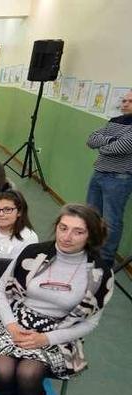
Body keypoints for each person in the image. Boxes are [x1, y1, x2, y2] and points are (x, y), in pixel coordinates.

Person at [0, 204, 113, 395]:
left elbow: (90, 323)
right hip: (15, 319)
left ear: (91, 236)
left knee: (28, 374)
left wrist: (46, 339)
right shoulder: (34, 252)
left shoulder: (99, 272)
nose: (67, 236)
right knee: (2, 368)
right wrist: (10, 325)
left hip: (59, 332)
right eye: (63, 228)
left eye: (78, 232)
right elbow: (0, 292)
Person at [85, 89, 132, 266]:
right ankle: (90, 249)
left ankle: (105, 260)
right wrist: (111, 141)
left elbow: (120, 148)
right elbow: (91, 140)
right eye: (124, 100)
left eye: (130, 101)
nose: (125, 104)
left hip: (120, 179)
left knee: (111, 222)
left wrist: (105, 143)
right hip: (99, 173)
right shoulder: (114, 121)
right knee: (91, 215)